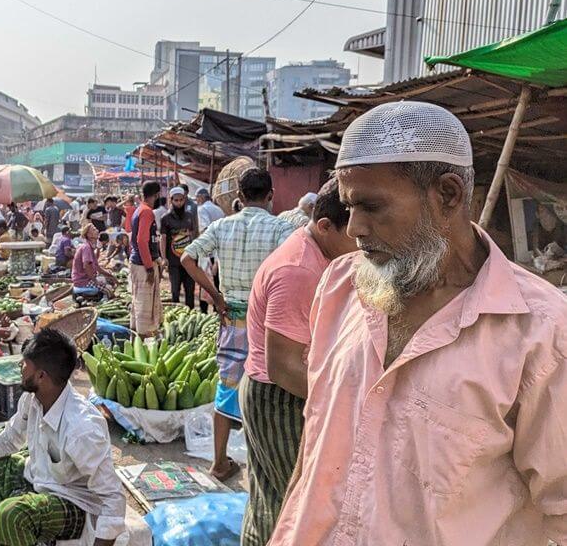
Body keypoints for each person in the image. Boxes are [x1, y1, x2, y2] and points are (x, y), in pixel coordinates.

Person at [270, 101, 567, 546]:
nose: (354, 229)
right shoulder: (340, 285)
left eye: (371, 207)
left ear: (447, 194)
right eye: (350, 207)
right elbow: (318, 439)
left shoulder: (541, 333)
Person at [0, 329, 126, 546]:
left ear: (41, 376)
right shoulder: (32, 399)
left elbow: (112, 498)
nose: (20, 369)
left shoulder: (81, 429)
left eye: (24, 364)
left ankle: (14, 532)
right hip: (38, 480)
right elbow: (8, 441)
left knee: (11, 515)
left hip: (73, 503)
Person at [238, 179, 355, 546]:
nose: (364, 242)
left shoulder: (318, 256)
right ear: (325, 226)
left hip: (284, 390)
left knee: (274, 496)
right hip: (280, 395)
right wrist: (340, 400)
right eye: (355, 233)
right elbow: (284, 366)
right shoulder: (299, 270)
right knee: (290, 504)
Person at [180, 167, 294, 481]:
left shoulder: (222, 226)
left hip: (231, 317)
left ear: (240, 198)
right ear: (271, 196)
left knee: (227, 385)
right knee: (266, 387)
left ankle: (219, 462)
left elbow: (187, 258)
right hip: (266, 320)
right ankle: (265, 468)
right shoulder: (280, 229)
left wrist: (215, 296)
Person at [130, 182, 163, 337]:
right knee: (145, 304)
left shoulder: (139, 209)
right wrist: (149, 267)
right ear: (156, 195)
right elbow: (142, 241)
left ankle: (138, 335)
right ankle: (144, 337)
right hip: (143, 264)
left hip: (138, 261)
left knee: (139, 301)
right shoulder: (147, 212)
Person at [160, 186, 198, 308]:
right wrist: (164, 258)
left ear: (184, 199)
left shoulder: (190, 216)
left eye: (181, 200)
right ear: (171, 200)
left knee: (190, 291)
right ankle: (176, 313)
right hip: (173, 261)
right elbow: (163, 238)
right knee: (175, 290)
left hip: (188, 259)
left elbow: (193, 235)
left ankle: (191, 314)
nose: (178, 203)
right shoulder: (165, 218)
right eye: (175, 200)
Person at [73, 223, 117, 299]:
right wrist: (95, 281)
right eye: (94, 229)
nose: (97, 230)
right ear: (89, 235)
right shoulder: (86, 247)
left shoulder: (90, 247)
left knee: (109, 278)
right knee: (109, 291)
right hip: (83, 281)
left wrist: (111, 276)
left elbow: (97, 267)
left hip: (86, 278)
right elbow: (86, 266)